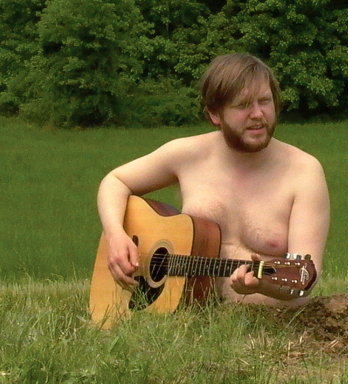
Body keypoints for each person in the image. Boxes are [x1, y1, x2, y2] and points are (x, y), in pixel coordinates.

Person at [97, 53, 330, 307]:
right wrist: (116, 236)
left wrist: (264, 284)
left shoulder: (304, 171)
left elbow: (304, 280)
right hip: (193, 315)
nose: (257, 114)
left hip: (270, 325)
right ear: (215, 114)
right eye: (242, 106)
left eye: (264, 101)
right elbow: (115, 181)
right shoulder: (187, 154)